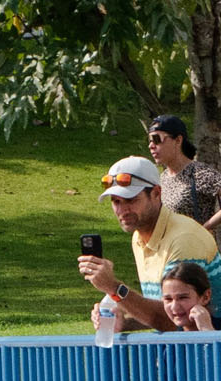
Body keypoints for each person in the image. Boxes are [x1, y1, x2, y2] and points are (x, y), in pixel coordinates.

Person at [77, 155, 221, 334]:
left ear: (156, 194)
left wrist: (114, 288)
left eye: (131, 200)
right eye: (116, 201)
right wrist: (124, 323)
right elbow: (168, 311)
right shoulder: (139, 236)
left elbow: (175, 322)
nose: (122, 210)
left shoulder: (184, 239)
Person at [147, 115, 221, 232]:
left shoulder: (200, 173)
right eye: (150, 140)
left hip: (196, 248)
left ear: (178, 140)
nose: (151, 146)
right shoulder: (163, 178)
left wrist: (203, 229)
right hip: (170, 248)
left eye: (157, 139)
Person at [160, 261, 216, 331]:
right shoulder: (166, 339)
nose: (174, 307)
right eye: (168, 299)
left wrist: (207, 329)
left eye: (182, 297)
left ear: (205, 297)